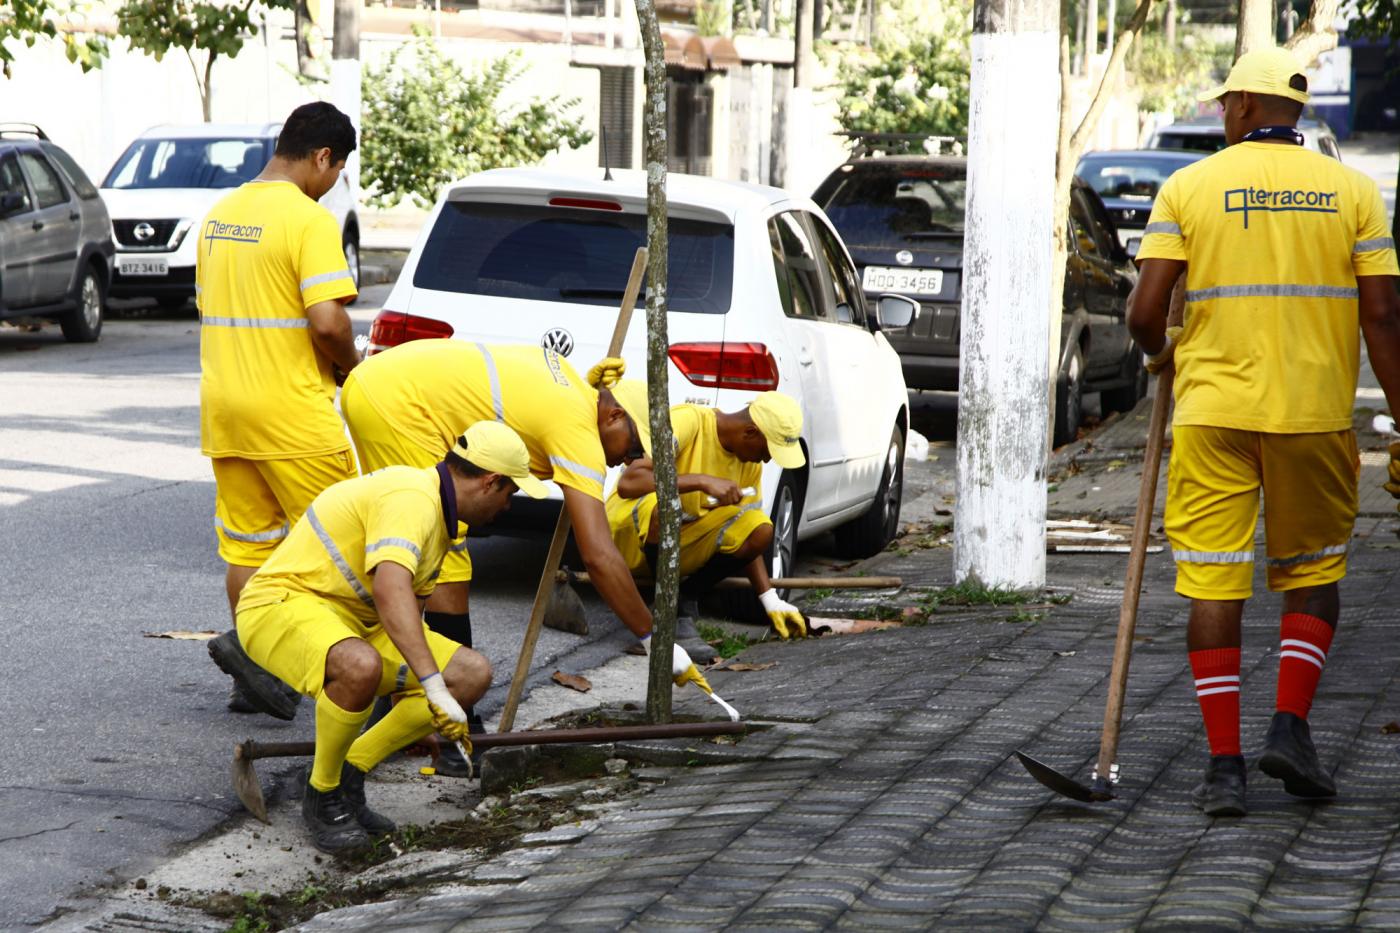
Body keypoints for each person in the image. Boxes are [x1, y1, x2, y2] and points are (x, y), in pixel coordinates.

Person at [1127, 47, 1400, 818]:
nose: (1221, 115)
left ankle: (1224, 767)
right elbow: (1382, 315)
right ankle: (1290, 724)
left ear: (1246, 105)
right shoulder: (1354, 192)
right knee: (1312, 572)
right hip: (1311, 414)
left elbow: (1146, 314)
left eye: (1223, 105)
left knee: (1215, 580)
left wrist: (1159, 358)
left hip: (1213, 413)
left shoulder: (1188, 187)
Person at [236, 421, 547, 852]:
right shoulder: (413, 499)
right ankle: (322, 794)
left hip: (354, 622)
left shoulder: (441, 516)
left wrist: (422, 705)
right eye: (510, 493)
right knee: (361, 666)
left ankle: (349, 773)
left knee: (470, 675)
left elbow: (407, 618)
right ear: (491, 482)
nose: (508, 507)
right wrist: (431, 688)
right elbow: (390, 589)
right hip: (281, 606)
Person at [335, 339, 713, 690]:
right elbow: (599, 556)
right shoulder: (579, 432)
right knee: (441, 554)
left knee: (421, 556)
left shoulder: (576, 396)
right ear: (613, 415)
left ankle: (411, 701)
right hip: (398, 403)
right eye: (633, 449)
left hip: (382, 385)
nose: (627, 462)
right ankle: (449, 708)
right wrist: (654, 641)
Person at [196, 102, 362, 721]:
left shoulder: (220, 214)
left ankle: (255, 674)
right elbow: (327, 321)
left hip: (226, 411)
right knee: (346, 546)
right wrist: (353, 367)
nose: (334, 182)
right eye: (337, 169)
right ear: (322, 157)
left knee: (249, 549)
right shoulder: (307, 219)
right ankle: (348, 678)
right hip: (293, 414)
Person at [606, 392, 810, 646]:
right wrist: (701, 481)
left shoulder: (749, 463)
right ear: (749, 432)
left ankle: (684, 598)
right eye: (768, 450)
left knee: (760, 529)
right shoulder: (689, 421)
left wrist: (770, 599)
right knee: (667, 506)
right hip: (624, 541)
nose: (768, 459)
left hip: (676, 552)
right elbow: (629, 483)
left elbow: (746, 532)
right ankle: (672, 613)